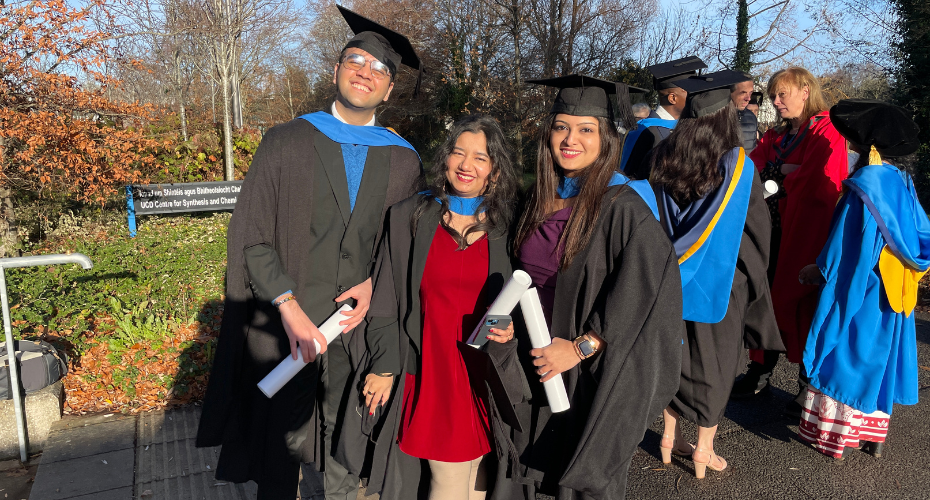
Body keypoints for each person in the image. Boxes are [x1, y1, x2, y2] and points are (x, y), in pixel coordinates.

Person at [194, 7, 422, 499]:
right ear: (336, 70)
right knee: (279, 446)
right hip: (286, 326)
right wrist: (288, 306)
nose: (365, 71)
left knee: (347, 441)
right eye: (355, 60)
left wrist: (374, 284)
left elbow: (405, 244)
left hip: (355, 327)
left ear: (388, 89)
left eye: (379, 68)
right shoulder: (287, 141)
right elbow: (251, 233)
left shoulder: (404, 161)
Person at [507, 74, 684, 499]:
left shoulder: (623, 207)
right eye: (561, 127)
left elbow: (646, 296)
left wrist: (581, 347)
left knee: (576, 482)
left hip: (584, 374)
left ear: (605, 139)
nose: (571, 139)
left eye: (586, 129)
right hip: (528, 361)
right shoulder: (533, 198)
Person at [355, 114, 523, 500]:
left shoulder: (508, 227)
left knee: (478, 472)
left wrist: (510, 326)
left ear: (495, 172)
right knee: (448, 477)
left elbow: (519, 296)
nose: (466, 165)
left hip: (481, 371)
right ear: (445, 159)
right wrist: (384, 364)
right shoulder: (410, 218)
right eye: (458, 153)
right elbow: (387, 295)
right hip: (433, 368)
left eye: (480, 158)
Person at [649, 71, 781, 478]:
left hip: (669, 278)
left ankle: (669, 437)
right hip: (721, 284)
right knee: (716, 365)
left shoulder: (663, 155)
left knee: (676, 357)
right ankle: (704, 450)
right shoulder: (737, 164)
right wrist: (756, 278)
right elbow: (756, 230)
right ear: (726, 116)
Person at [797, 100, 927, 460]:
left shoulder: (865, 186)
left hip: (866, 286)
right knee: (878, 357)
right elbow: (920, 234)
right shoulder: (901, 181)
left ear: (868, 145)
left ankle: (836, 438)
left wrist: (820, 268)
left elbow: (849, 245)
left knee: (847, 353)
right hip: (896, 288)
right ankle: (874, 436)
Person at [732, 67, 849, 417]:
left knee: (804, 302)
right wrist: (784, 170)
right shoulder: (778, 134)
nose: (776, 101)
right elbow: (754, 166)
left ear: (805, 91)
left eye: (782, 94)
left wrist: (777, 171)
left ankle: (807, 384)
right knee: (763, 295)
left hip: (806, 230)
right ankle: (760, 368)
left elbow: (819, 179)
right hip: (771, 228)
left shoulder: (827, 129)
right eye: (773, 96)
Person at [621, 55, 707, 179]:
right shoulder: (645, 132)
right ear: (673, 98)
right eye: (691, 93)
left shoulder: (687, 128)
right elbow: (629, 179)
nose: (696, 98)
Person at [730, 73, 759, 152]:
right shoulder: (716, 117)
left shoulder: (751, 117)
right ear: (730, 93)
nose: (748, 98)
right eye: (743, 93)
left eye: (750, 93)